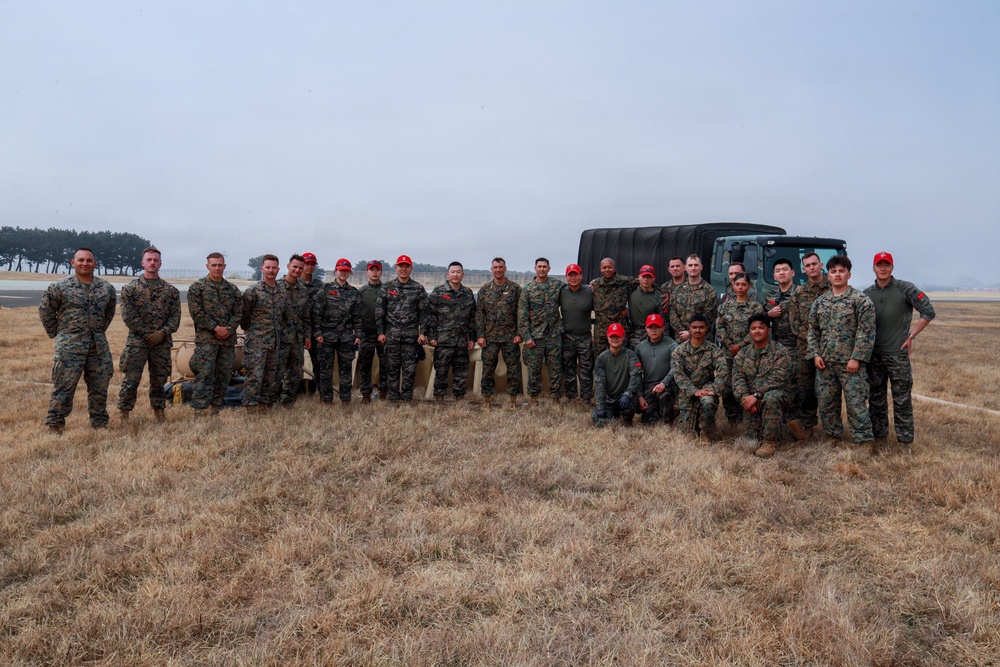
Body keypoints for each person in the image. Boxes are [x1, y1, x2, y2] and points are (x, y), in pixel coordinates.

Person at [39, 247, 118, 431]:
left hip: (98, 347)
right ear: (73, 263)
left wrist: (97, 331)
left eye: (89, 260)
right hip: (69, 347)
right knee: (64, 387)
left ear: (95, 263)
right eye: (80, 260)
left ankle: (99, 423)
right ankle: (55, 423)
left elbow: (109, 313)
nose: (85, 263)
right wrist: (58, 333)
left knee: (100, 387)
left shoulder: (106, 288)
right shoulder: (59, 287)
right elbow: (46, 310)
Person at [863, 251, 936, 449]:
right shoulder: (867, 293)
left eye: (887, 265)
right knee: (876, 400)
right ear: (874, 268)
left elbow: (928, 311)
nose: (883, 268)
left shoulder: (906, 289)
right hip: (874, 356)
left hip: (897, 355)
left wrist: (911, 336)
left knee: (902, 399)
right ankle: (879, 439)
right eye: (879, 265)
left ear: (892, 267)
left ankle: (905, 442)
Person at [808, 255, 876, 448]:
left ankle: (863, 441)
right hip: (825, 364)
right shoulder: (820, 303)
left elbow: (866, 332)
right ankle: (833, 437)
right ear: (827, 275)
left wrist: (856, 358)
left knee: (856, 404)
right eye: (833, 271)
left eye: (841, 271)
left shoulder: (860, 301)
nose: (837, 275)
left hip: (851, 365)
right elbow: (812, 331)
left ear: (849, 274)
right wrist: (815, 354)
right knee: (827, 403)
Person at [117, 247, 181, 422]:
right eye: (149, 260)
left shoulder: (170, 291)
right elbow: (128, 316)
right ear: (143, 263)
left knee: (159, 381)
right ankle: (124, 413)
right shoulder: (130, 289)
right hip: (137, 343)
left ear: (160, 263)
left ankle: (159, 412)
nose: (152, 263)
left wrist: (163, 333)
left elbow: (175, 316)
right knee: (131, 380)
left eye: (156, 260)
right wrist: (146, 334)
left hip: (161, 344)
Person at [731, 313, 803, 458]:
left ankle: (769, 443)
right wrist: (745, 399)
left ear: (768, 331)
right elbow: (737, 381)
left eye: (761, 328)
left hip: (778, 395)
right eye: (753, 328)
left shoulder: (780, 352)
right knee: (752, 439)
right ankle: (790, 428)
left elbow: (778, 379)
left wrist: (757, 395)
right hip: (752, 399)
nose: (757, 331)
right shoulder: (742, 355)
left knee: (771, 398)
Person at [187, 252, 242, 415]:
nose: (217, 268)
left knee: (224, 375)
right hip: (207, 341)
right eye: (214, 265)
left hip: (227, 341)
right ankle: (199, 410)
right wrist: (215, 328)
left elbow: (238, 313)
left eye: (220, 265)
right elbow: (196, 313)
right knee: (204, 374)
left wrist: (229, 329)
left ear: (224, 266)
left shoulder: (233, 290)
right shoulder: (197, 288)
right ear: (207, 266)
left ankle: (215, 408)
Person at [375, 255, 429, 402]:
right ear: (396, 268)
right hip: (391, 336)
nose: (403, 269)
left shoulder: (418, 289)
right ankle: (392, 398)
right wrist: (380, 332)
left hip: (410, 337)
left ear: (411, 268)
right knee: (391, 369)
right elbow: (380, 312)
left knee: (409, 370)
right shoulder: (387, 288)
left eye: (406, 266)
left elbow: (424, 314)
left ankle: (406, 399)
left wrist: (422, 333)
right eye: (401, 266)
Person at [788, 252, 830, 432]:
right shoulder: (798, 293)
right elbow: (794, 323)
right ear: (803, 269)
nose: (812, 268)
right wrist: (812, 339)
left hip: (829, 349)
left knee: (829, 391)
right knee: (805, 389)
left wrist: (824, 340)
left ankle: (831, 429)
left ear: (821, 265)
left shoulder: (833, 288)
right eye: (808, 265)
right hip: (804, 350)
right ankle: (808, 427)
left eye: (814, 264)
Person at [241, 254, 288, 410]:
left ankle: (266, 405)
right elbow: (244, 316)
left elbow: (283, 315)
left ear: (278, 270)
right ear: (262, 269)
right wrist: (253, 332)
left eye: (274, 268)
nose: (271, 270)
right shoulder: (252, 291)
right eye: (268, 267)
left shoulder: (282, 291)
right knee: (255, 375)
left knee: (271, 376)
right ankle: (251, 406)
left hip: (275, 341)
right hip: (257, 342)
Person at [715, 273, 764, 425]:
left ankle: (748, 417)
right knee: (728, 387)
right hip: (728, 353)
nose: (741, 287)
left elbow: (758, 329)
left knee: (748, 385)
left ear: (749, 286)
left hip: (749, 353)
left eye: (744, 284)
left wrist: (740, 346)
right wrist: (730, 344)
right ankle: (732, 418)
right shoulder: (724, 307)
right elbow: (720, 326)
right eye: (738, 284)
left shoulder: (755, 307)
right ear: (733, 286)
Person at [314, 258, 362, 405]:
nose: (343, 273)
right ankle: (327, 399)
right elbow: (317, 312)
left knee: (346, 370)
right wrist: (317, 332)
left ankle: (345, 399)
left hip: (347, 337)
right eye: (341, 270)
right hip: (327, 336)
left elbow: (357, 316)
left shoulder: (354, 292)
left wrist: (358, 334)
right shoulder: (326, 289)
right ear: (336, 271)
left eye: (346, 271)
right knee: (325, 369)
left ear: (350, 273)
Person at [475, 257, 522, 408]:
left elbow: (520, 313)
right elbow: (480, 315)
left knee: (513, 369)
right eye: (495, 267)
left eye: (500, 267)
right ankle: (487, 399)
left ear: (505, 268)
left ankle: (512, 400)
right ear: (491, 270)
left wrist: (519, 333)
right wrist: (480, 335)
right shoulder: (485, 290)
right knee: (488, 369)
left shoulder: (515, 289)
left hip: (510, 337)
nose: (498, 270)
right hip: (490, 337)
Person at [671, 314, 726, 441]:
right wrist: (694, 391)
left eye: (701, 327)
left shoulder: (713, 350)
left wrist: (715, 390)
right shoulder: (679, 351)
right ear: (689, 328)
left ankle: (706, 433)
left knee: (708, 402)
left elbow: (723, 371)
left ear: (706, 328)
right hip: (687, 392)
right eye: (694, 327)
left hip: (707, 388)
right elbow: (678, 374)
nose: (697, 330)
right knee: (686, 435)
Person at [427, 262, 477, 401]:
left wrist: (472, 338)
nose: (455, 275)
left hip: (461, 341)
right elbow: (430, 316)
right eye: (453, 272)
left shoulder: (467, 293)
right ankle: (439, 398)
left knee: (461, 372)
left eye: (458, 272)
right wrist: (431, 336)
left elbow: (472, 318)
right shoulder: (438, 292)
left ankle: (459, 398)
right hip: (443, 340)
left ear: (463, 274)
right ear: (447, 274)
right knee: (441, 371)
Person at [518, 257, 564, 404]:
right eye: (540, 266)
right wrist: (527, 337)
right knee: (534, 370)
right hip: (535, 336)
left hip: (553, 334)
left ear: (549, 269)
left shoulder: (557, 285)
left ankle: (556, 398)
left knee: (555, 369)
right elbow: (522, 315)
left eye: (545, 267)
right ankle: (534, 398)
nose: (542, 269)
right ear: (535, 268)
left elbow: (573, 288)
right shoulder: (528, 289)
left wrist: (593, 285)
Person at [765, 258, 802, 420]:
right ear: (774, 275)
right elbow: (758, 321)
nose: (782, 273)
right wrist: (768, 315)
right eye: (778, 270)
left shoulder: (801, 293)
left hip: (798, 346)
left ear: (792, 272)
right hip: (777, 348)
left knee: (798, 386)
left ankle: (801, 424)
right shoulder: (770, 296)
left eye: (785, 269)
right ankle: (782, 422)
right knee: (780, 384)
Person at [278, 254, 312, 405]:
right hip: (279, 338)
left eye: (300, 268)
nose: (297, 270)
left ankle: (288, 402)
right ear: (288, 266)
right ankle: (271, 400)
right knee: (276, 371)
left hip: (297, 339)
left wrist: (307, 336)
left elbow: (306, 316)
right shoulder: (275, 287)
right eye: (295, 267)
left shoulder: (302, 290)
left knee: (294, 372)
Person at [592, 323, 642, 426]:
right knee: (597, 419)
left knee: (629, 407)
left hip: (625, 397)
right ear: (607, 337)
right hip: (609, 399)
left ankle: (627, 419)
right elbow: (599, 384)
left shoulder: (631, 356)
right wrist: (600, 406)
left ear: (623, 337)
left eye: (618, 336)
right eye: (612, 336)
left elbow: (635, 377)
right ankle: (614, 418)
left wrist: (627, 394)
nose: (615, 339)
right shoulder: (601, 359)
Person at [559, 263, 595, 405]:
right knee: (569, 368)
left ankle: (586, 398)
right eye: (570, 275)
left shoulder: (590, 291)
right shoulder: (561, 292)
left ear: (581, 276)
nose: (573, 278)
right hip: (567, 336)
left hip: (584, 337)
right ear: (566, 277)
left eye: (576, 274)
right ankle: (571, 397)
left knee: (586, 368)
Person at [634, 314, 678, 425]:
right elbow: (637, 374)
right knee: (649, 422)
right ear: (646, 328)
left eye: (657, 327)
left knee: (665, 399)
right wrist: (640, 396)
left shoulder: (671, 344)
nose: (654, 330)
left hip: (667, 384)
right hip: (649, 385)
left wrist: (664, 383)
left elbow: (676, 367)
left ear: (663, 328)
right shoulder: (640, 348)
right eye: (650, 327)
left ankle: (670, 412)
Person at [590, 258, 637, 354]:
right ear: (600, 269)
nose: (607, 270)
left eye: (609, 267)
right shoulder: (596, 284)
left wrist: (665, 293)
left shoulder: (624, 281)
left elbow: (645, 281)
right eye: (604, 268)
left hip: (619, 327)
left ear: (614, 268)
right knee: (600, 358)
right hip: (601, 331)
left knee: (621, 356)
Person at [669, 254, 719, 343]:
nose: (693, 268)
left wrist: (690, 333)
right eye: (690, 265)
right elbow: (673, 316)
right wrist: (683, 333)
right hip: (681, 340)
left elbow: (708, 317)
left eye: (696, 265)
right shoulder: (677, 291)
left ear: (701, 267)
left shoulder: (709, 291)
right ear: (685, 268)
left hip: (702, 341)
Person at [358, 260, 387, 403]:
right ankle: (365, 394)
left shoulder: (387, 290)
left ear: (381, 272)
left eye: (377, 269)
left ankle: (383, 392)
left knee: (385, 364)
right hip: (366, 333)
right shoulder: (362, 291)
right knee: (365, 364)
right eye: (372, 269)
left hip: (384, 333)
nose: (374, 272)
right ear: (367, 272)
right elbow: (356, 313)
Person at [299, 252, 324, 395]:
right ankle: (293, 393)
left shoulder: (320, 286)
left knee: (319, 363)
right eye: (307, 263)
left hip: (315, 330)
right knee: (293, 362)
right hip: (296, 329)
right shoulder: (292, 284)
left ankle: (321, 391)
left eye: (312, 264)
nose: (309, 267)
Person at [626, 265, 665, 348]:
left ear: (654, 278)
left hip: (651, 333)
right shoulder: (630, 290)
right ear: (638, 277)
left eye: (649, 277)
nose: (646, 280)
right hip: (633, 333)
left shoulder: (659, 296)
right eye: (643, 277)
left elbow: (663, 320)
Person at [660, 256, 687, 338]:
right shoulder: (664, 287)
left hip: (684, 329)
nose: (675, 269)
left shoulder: (690, 286)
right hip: (667, 330)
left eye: (678, 266)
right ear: (669, 270)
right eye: (672, 266)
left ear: (684, 268)